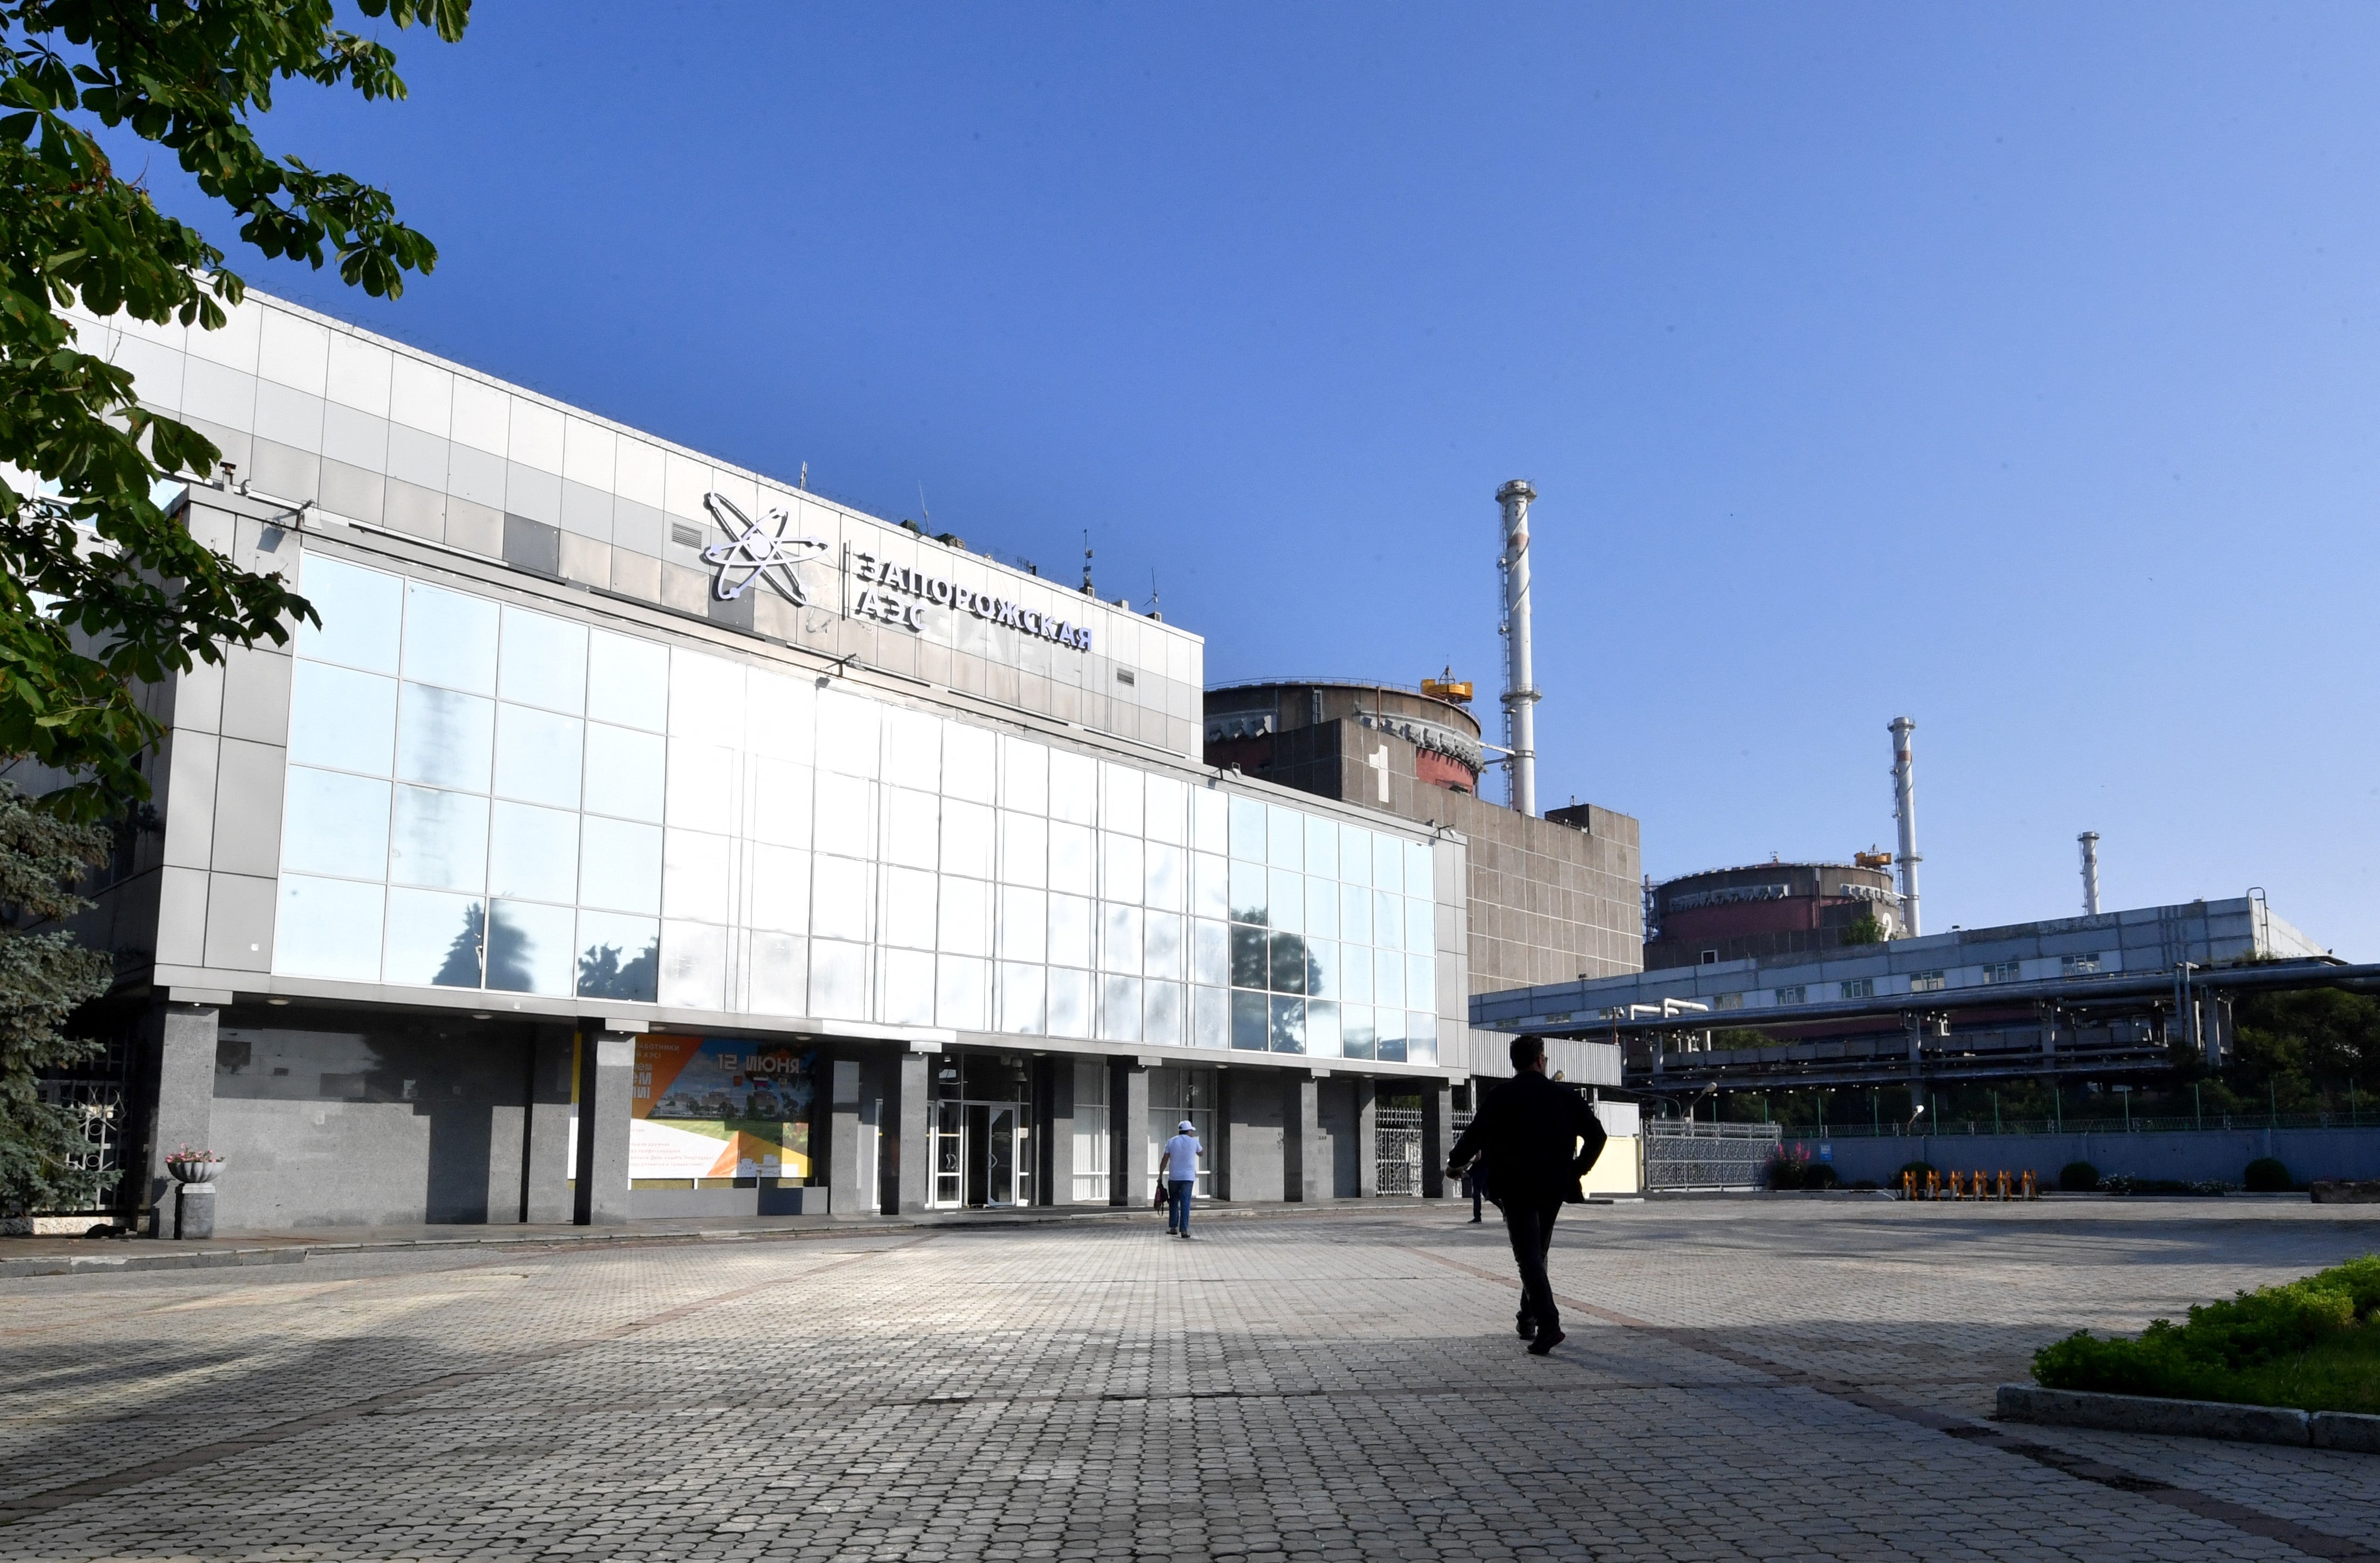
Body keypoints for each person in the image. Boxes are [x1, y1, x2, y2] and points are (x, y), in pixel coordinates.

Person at [1445, 1034, 1607, 1355]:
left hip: (1516, 1187)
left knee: (1529, 1256)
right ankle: (1528, 1318)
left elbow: (1474, 1135)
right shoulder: (1564, 1096)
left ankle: (1549, 1325)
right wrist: (1577, 1170)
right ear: (1540, 1060)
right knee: (1537, 1253)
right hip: (1553, 1187)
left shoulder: (1502, 1095)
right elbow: (1597, 1136)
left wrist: (1454, 1164)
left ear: (1515, 1062)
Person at [1158, 1119, 1201, 1239]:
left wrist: (1160, 1176)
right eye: (1191, 1131)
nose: (1192, 1133)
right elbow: (1201, 1152)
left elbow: (1165, 1159)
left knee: (1173, 1202)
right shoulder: (1194, 1142)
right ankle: (1185, 1230)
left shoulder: (1171, 1142)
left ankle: (1173, 1227)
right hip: (1188, 1178)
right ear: (1188, 1131)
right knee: (1186, 1203)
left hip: (1174, 1177)